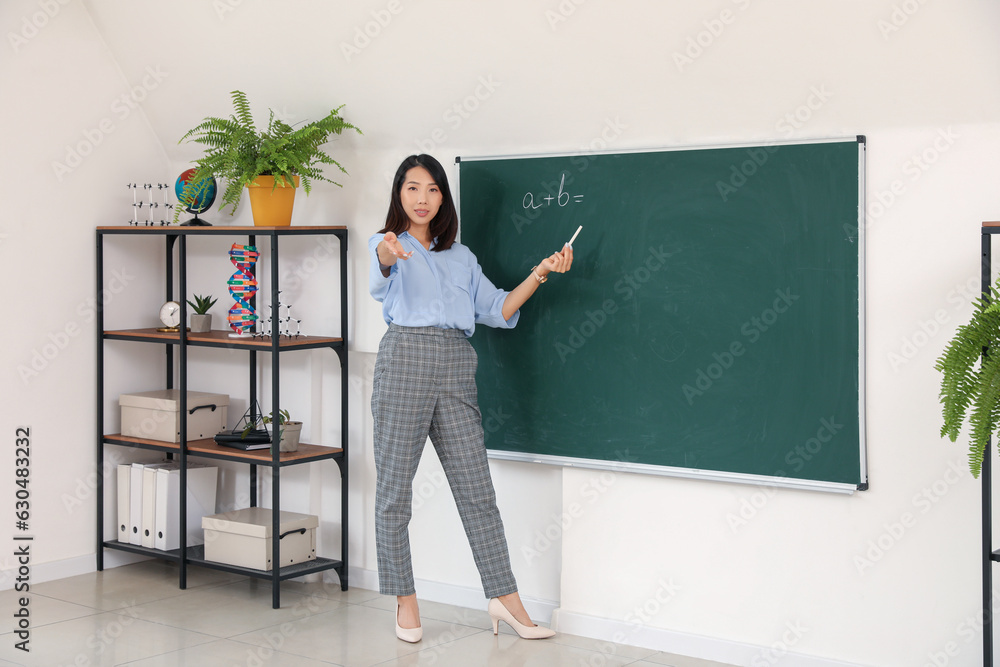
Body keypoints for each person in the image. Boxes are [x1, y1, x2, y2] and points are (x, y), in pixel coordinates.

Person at [368, 154, 573, 642]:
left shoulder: (461, 257)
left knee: (478, 492)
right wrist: (389, 255)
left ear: (444, 197)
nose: (423, 198)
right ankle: (405, 600)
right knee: (395, 493)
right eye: (413, 188)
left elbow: (498, 308)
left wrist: (541, 272)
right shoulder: (387, 243)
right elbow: (381, 271)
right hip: (405, 361)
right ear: (399, 194)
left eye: (433, 189)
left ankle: (504, 599)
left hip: (457, 364)